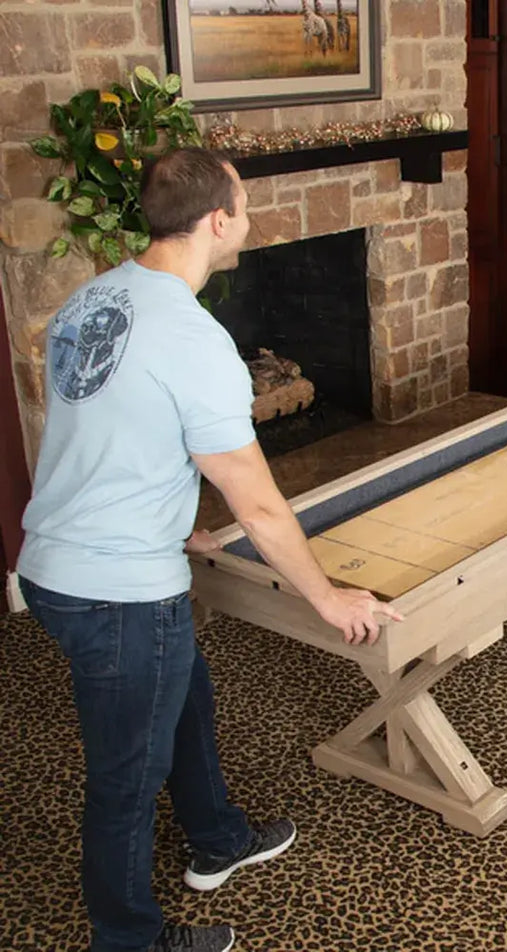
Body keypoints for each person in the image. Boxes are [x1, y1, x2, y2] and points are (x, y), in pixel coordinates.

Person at [16, 148, 403, 952]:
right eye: (246, 206)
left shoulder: (90, 300)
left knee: (186, 694)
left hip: (54, 562)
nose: (249, 220)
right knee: (126, 781)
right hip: (117, 592)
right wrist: (326, 596)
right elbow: (256, 503)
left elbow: (112, 432)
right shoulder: (195, 340)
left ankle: (217, 838)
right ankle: (128, 941)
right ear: (219, 222)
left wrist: (169, 523)